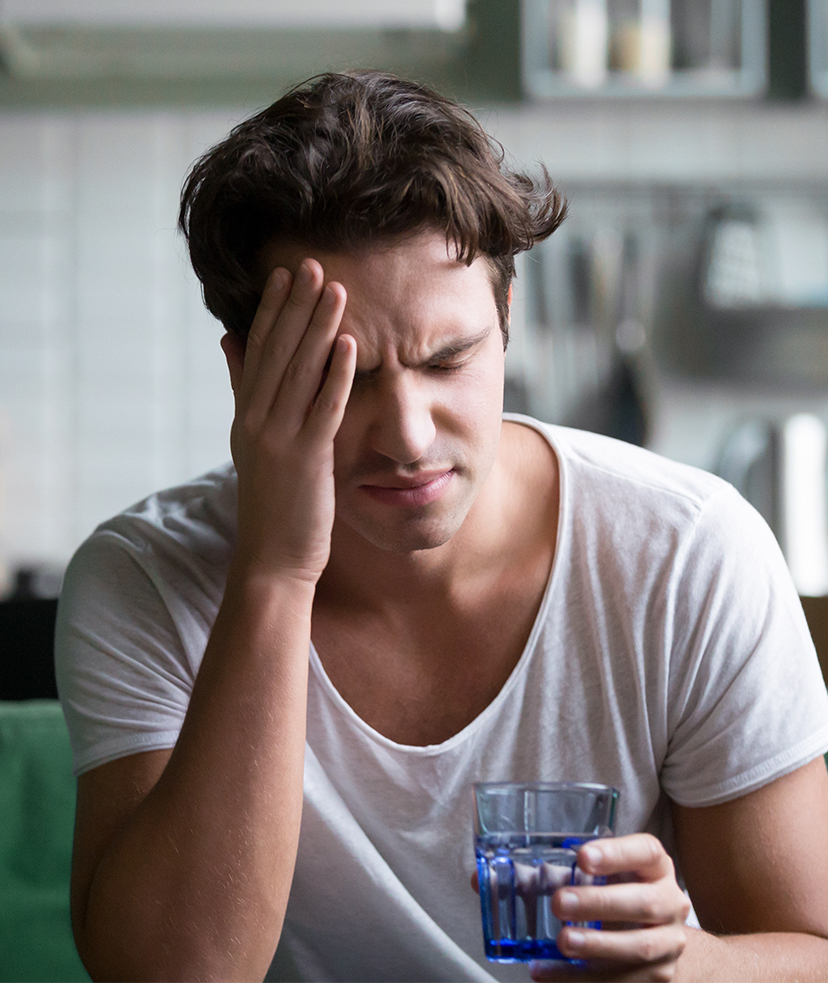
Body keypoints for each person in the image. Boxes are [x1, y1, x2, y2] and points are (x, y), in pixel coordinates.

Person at [55, 71, 828, 983]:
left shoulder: (689, 555)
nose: (411, 435)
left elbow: (809, 949)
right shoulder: (144, 577)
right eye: (345, 379)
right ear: (246, 372)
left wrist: (684, 966)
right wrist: (274, 571)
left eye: (448, 359)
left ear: (506, 318)